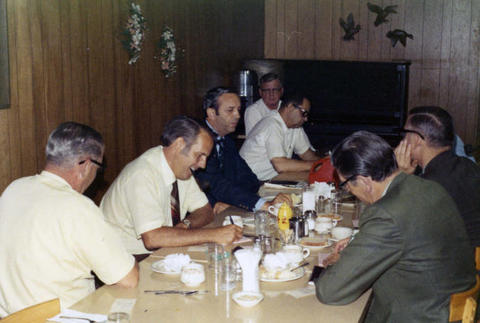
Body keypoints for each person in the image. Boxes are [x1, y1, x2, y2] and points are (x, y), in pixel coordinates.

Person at [314, 131, 476, 322]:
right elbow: (406, 235)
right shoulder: (427, 186)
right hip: (446, 303)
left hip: (421, 314)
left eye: (347, 187)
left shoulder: (386, 215)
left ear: (365, 181)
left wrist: (333, 265)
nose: (350, 192)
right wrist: (359, 242)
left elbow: (331, 291)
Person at [0, 122, 139, 317]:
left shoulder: (13, 189)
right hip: (61, 318)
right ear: (86, 164)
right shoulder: (78, 207)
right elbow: (128, 279)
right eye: (98, 167)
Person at [100, 116, 243, 255]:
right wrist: (213, 235)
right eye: (199, 155)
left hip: (161, 252)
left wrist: (186, 224)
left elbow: (205, 211)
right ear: (179, 145)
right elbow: (152, 238)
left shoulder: (180, 169)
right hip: (127, 260)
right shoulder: (142, 174)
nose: (203, 164)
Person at [195, 87, 292, 215]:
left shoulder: (227, 140)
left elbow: (248, 178)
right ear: (212, 113)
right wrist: (263, 204)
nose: (238, 115)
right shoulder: (197, 140)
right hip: (201, 213)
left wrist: (241, 200)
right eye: (230, 110)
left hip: (225, 206)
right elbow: (215, 183)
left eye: (238, 110)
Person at [394, 106, 480, 246]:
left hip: (459, 263)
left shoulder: (427, 185)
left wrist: (400, 178)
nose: (403, 139)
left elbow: (395, 225)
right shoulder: (468, 166)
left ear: (415, 139)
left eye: (405, 133)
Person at [239, 91, 319, 181]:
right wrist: (315, 165)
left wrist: (324, 164)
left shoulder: (295, 127)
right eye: (304, 113)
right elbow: (280, 165)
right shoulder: (272, 124)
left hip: (268, 177)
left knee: (316, 176)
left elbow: (306, 154)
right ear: (290, 106)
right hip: (250, 181)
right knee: (312, 178)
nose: (306, 119)